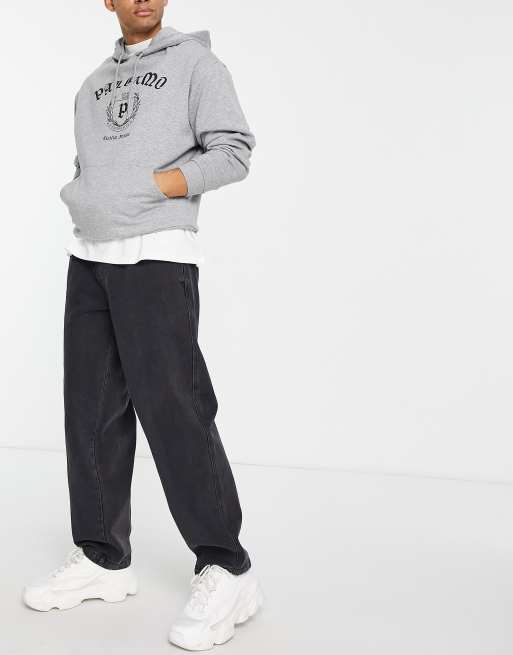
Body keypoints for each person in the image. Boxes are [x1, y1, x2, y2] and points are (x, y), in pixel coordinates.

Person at [22, 0, 263, 649]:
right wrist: (87, 195)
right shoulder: (93, 83)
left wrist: (160, 183)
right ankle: (103, 557)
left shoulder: (197, 65)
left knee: (174, 409)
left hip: (157, 255)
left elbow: (234, 151)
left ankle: (227, 565)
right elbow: (91, 166)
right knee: (91, 409)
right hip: (89, 255)